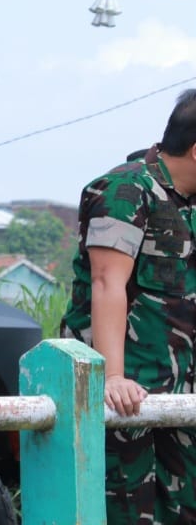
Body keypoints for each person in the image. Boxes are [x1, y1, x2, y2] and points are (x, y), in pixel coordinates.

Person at [62, 89, 196, 524]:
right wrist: (112, 376)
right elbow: (106, 283)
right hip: (127, 393)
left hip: (182, 391)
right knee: (126, 513)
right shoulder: (124, 189)